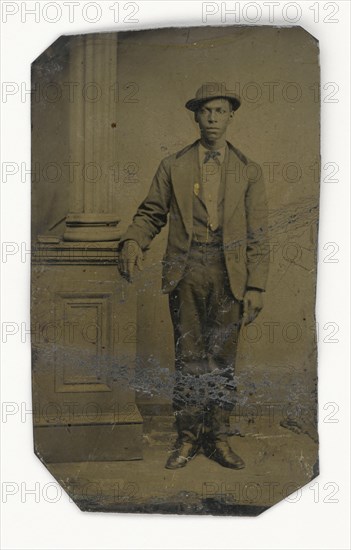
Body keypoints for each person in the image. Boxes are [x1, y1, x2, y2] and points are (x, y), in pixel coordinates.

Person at [118, 83, 269, 470]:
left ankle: (217, 438)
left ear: (231, 116)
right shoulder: (174, 166)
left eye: (221, 111)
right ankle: (186, 440)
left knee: (222, 358)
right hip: (186, 271)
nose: (214, 119)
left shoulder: (249, 171)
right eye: (207, 112)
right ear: (195, 116)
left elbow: (258, 235)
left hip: (230, 274)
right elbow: (151, 213)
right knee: (189, 357)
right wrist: (133, 241)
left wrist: (256, 285)